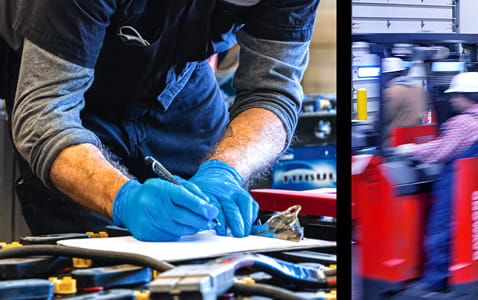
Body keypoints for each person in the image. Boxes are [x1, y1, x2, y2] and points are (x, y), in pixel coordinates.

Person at [0, 0, 318, 242]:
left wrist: (226, 170)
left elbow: (272, 93)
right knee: (92, 254)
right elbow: (46, 111)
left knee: (206, 238)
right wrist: (121, 198)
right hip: (65, 77)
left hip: (178, 75)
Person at [394, 72, 478, 291]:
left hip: (456, 182)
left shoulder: (463, 122)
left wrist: (410, 150)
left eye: (455, 96)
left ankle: (436, 282)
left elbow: (441, 151)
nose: (452, 100)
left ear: (466, 96)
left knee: (440, 231)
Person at [380, 57, 432, 146]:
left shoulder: (390, 92)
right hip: (418, 142)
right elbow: (427, 112)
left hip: (394, 145)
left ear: (386, 76)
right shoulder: (419, 90)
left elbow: (381, 120)